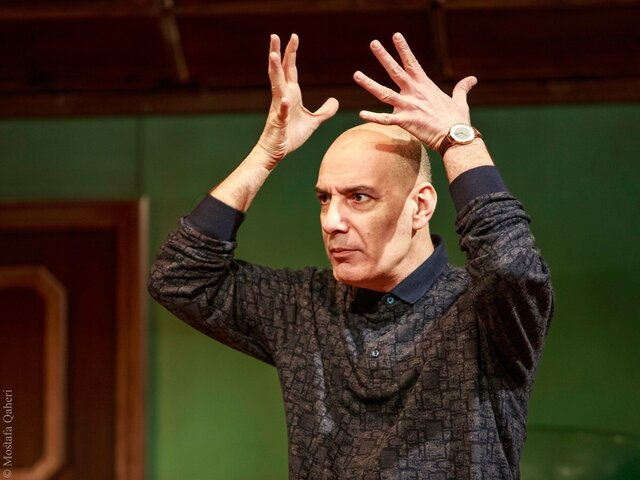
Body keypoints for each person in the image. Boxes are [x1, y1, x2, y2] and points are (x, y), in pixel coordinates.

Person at [148, 32, 554, 479]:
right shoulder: (304, 306)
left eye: (359, 197)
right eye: (325, 198)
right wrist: (266, 153)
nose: (332, 221)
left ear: (420, 206)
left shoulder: (482, 312)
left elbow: (511, 267)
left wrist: (459, 142)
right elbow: (179, 277)